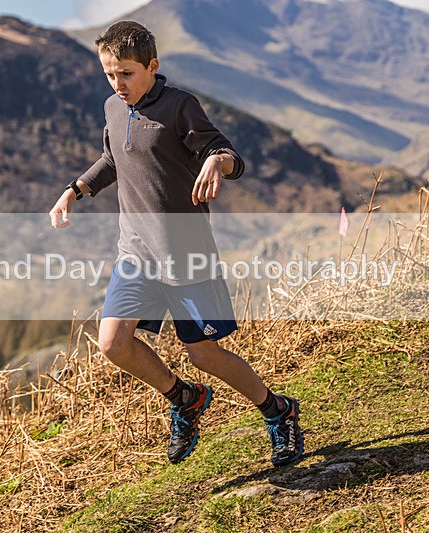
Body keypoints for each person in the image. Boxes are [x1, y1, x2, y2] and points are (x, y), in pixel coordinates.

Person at [48, 20, 303, 467]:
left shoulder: (181, 106)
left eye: (126, 73)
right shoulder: (112, 107)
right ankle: (183, 398)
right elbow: (114, 159)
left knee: (203, 353)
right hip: (136, 253)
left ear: (152, 66)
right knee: (112, 343)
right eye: (109, 73)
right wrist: (76, 189)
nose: (117, 83)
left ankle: (277, 410)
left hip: (186, 254)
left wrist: (216, 164)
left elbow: (228, 155)